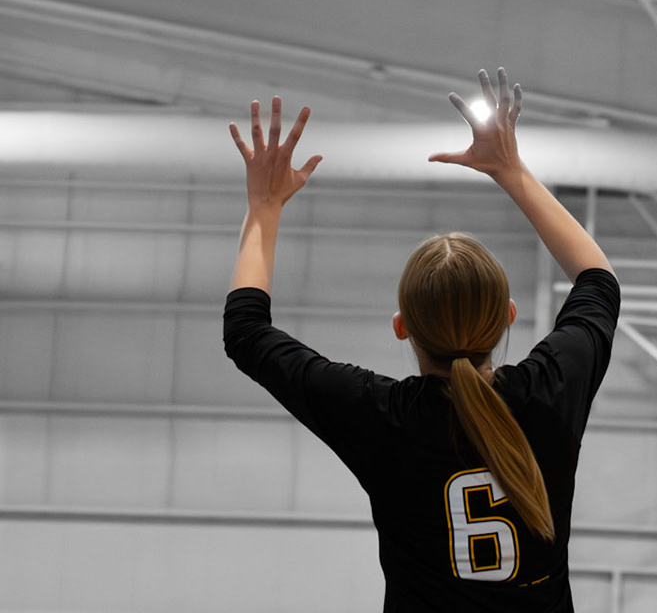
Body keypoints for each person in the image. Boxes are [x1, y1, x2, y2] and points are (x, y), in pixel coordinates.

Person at [223, 69, 619, 611]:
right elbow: (598, 280)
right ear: (508, 317)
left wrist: (263, 208)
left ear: (401, 325)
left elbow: (246, 332)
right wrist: (511, 170)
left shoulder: (379, 416)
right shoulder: (551, 389)